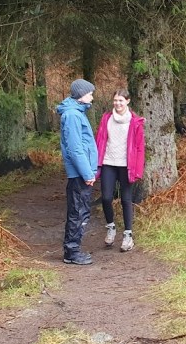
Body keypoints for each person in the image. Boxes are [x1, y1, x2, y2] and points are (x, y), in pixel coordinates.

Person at [95, 88, 145, 252]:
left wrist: (138, 169)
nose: (117, 103)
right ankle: (111, 227)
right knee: (106, 197)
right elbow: (100, 139)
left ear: (127, 101)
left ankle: (128, 235)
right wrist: (96, 161)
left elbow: (139, 147)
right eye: (115, 100)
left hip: (126, 165)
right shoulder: (106, 118)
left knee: (126, 199)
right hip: (108, 162)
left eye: (121, 100)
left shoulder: (135, 121)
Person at [56, 79, 98, 265]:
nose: (92, 97)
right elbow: (75, 148)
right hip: (79, 173)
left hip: (81, 172)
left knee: (80, 210)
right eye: (90, 93)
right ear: (81, 94)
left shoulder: (77, 112)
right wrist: (87, 173)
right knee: (78, 211)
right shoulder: (72, 115)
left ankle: (72, 249)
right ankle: (71, 252)